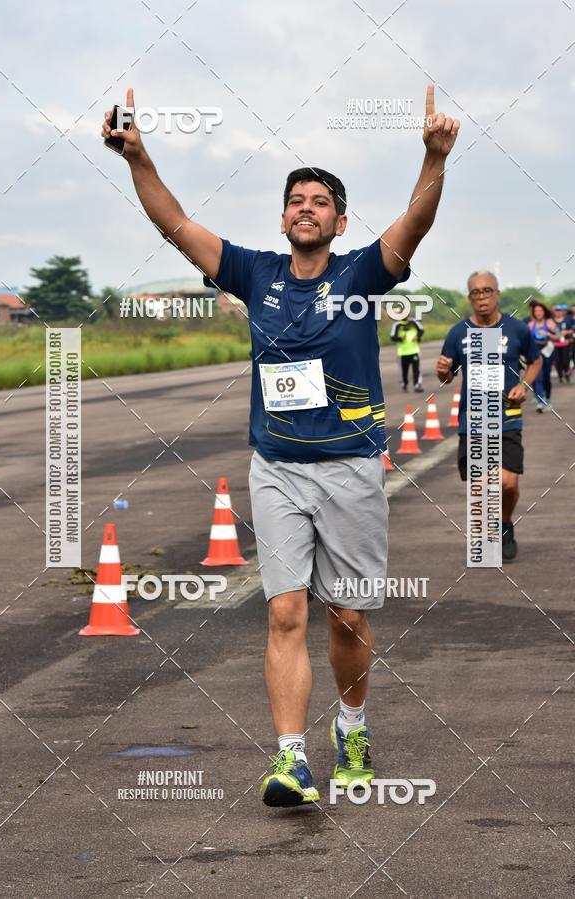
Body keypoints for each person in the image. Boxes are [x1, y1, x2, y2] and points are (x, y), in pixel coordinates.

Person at [103, 85, 460, 807]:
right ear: (282, 215)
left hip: (353, 469)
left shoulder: (359, 275)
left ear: (338, 220)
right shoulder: (253, 272)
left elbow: (414, 224)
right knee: (285, 611)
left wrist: (432, 157)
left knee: (349, 614)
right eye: (296, 198)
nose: (306, 206)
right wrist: (138, 157)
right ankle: (291, 758)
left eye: (320, 201)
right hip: (277, 471)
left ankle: (351, 727)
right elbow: (174, 224)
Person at [437, 272, 541, 562]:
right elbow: (446, 376)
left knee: (507, 484)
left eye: (486, 291)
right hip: (473, 420)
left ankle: (505, 524)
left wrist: (525, 384)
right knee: (481, 486)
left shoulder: (516, 329)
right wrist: (443, 369)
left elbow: (535, 360)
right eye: (475, 293)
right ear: (469, 298)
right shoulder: (458, 333)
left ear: (496, 294)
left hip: (507, 418)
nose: (481, 297)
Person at [528, 301, 556, 411]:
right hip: (536, 352)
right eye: (536, 311)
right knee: (538, 377)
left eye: (540, 310)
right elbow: (527, 340)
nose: (538, 313)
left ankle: (547, 399)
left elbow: (557, 336)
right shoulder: (531, 325)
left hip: (548, 352)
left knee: (546, 378)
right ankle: (540, 402)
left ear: (544, 312)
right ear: (533, 313)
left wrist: (548, 334)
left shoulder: (550, 323)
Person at [390, 309, 424, 391]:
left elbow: (421, 330)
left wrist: (417, 336)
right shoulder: (397, 325)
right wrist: (400, 338)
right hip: (402, 352)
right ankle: (404, 384)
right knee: (404, 371)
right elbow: (392, 337)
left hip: (414, 350)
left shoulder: (414, 322)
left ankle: (417, 385)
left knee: (416, 370)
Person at [551, 305, 572, 384]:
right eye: (556, 311)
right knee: (557, 361)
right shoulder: (552, 321)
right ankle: (560, 376)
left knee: (565, 361)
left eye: (559, 311)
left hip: (565, 344)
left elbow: (571, 330)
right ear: (554, 312)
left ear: (562, 312)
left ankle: (567, 374)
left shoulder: (566, 320)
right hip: (555, 344)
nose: (558, 312)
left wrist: (566, 332)